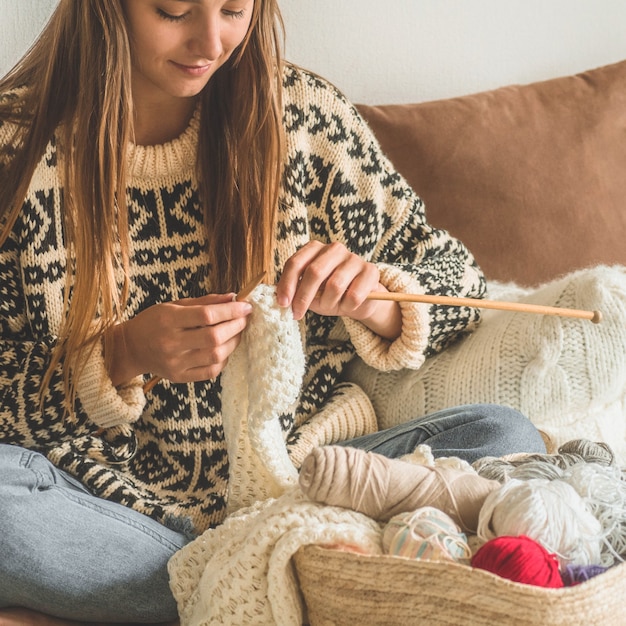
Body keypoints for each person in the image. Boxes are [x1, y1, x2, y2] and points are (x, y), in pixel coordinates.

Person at [0, 1, 546, 624]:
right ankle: (287, 576)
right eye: (173, 10)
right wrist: (122, 358)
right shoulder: (16, 152)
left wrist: (378, 300)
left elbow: (459, 285)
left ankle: (233, 584)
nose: (211, 40)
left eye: (234, 9)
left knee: (508, 438)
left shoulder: (307, 118)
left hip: (307, 481)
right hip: (112, 510)